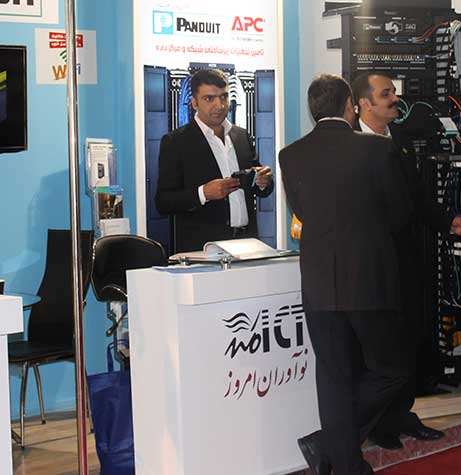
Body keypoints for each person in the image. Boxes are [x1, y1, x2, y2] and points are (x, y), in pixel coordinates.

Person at [280, 73, 413, 475]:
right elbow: (400, 213)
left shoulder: (291, 154)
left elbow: (302, 212)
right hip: (369, 278)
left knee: (333, 378)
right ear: (350, 106)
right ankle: (331, 446)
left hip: (319, 280)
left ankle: (339, 455)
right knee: (393, 369)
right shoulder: (376, 149)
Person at [350, 71, 461, 449]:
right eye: (386, 94)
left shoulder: (399, 138)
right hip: (367, 264)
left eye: (393, 92)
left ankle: (402, 414)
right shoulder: (348, 145)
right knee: (377, 347)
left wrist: (448, 220)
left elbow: (417, 199)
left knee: (407, 338)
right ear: (364, 104)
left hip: (405, 259)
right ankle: (378, 423)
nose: (394, 99)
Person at [154, 68, 274, 253]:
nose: (219, 105)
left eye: (224, 97)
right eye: (209, 98)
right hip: (204, 249)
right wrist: (203, 193)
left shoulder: (241, 136)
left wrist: (263, 182)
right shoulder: (176, 142)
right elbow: (163, 202)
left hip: (247, 243)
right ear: (194, 103)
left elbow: (259, 187)